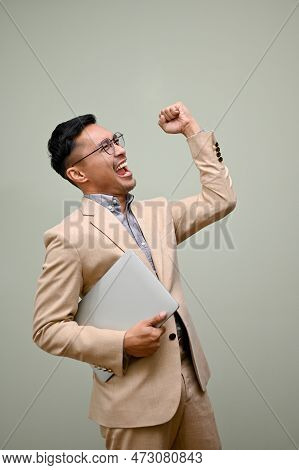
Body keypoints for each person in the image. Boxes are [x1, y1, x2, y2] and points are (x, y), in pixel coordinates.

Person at [33, 101, 237, 450]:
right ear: (78, 175)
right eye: (105, 147)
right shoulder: (68, 237)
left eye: (117, 140)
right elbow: (47, 329)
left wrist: (191, 130)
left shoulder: (158, 212)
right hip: (133, 406)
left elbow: (221, 199)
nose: (120, 150)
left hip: (193, 390)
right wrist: (122, 343)